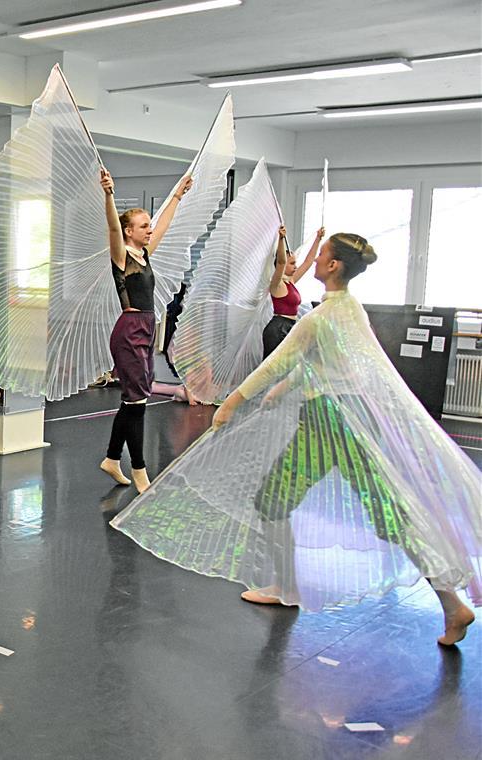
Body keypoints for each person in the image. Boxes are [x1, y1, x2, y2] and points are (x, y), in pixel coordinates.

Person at [111, 233, 480, 646]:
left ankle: (288, 588)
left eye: (322, 254)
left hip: (326, 424)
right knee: (386, 512)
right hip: (349, 418)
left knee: (274, 501)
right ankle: (450, 602)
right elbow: (328, 362)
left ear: (334, 266)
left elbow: (279, 363)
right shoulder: (350, 310)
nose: (314, 260)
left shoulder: (318, 318)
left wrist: (231, 402)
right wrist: (287, 390)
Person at [99, 169, 193, 493]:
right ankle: (138, 468)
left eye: (148, 225)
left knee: (134, 399)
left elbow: (164, 224)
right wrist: (109, 194)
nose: (149, 229)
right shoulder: (121, 255)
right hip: (129, 331)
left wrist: (178, 195)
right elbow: (113, 226)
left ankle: (112, 458)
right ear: (129, 231)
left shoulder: (144, 254)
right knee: (137, 401)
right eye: (143, 226)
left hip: (146, 329)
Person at [263, 225, 325, 358]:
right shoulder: (276, 284)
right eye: (292, 263)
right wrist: (281, 239)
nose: (295, 266)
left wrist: (318, 239)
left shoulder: (290, 281)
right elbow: (281, 262)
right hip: (277, 329)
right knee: (273, 367)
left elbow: (308, 262)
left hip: (290, 326)